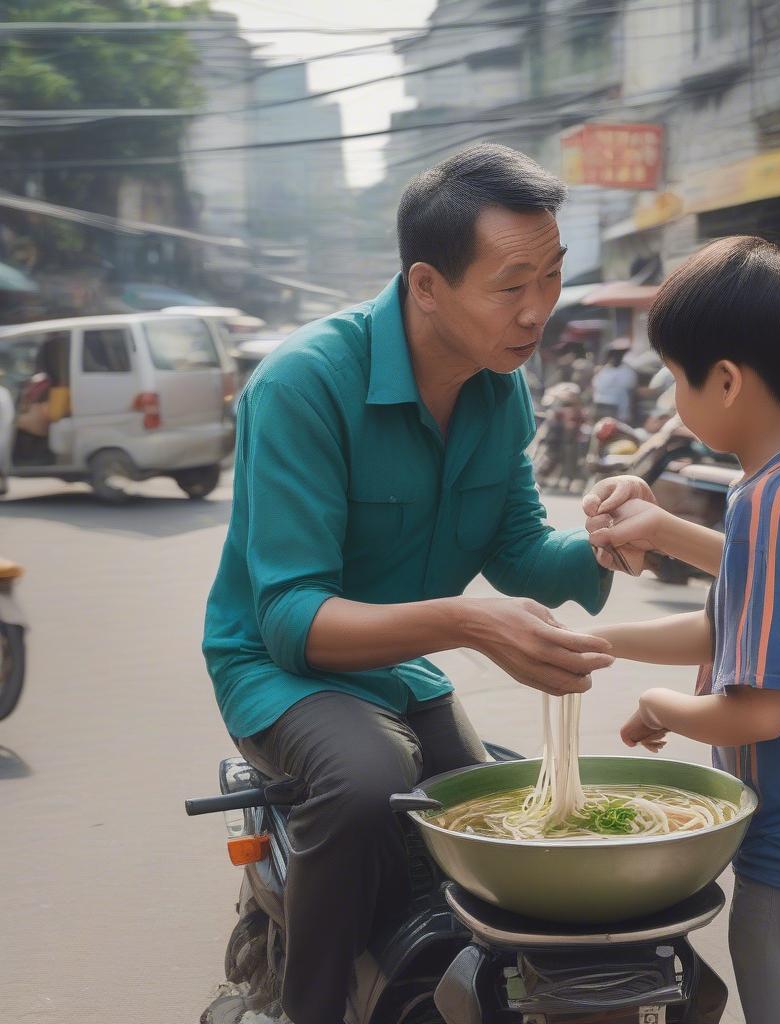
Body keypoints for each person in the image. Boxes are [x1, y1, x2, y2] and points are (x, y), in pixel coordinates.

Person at [203, 144, 616, 1024]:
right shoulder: (303, 384)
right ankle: (306, 1007)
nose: (538, 310)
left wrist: (612, 540)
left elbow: (519, 551)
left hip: (402, 670)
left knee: (487, 814)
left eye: (551, 277)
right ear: (427, 285)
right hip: (277, 669)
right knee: (365, 782)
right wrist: (468, 623)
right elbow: (289, 618)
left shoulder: (502, 390)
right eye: (512, 286)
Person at [581, 236, 780, 1024]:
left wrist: (656, 704)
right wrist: (608, 639)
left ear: (724, 381)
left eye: (677, 381)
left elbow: (759, 711)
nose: (671, 400)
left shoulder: (763, 504)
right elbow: (759, 599)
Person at [591, 337, 638, 421]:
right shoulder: (602, 371)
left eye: (619, 354)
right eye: (613, 354)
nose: (615, 357)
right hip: (600, 405)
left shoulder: (628, 371)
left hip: (618, 408)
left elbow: (630, 389)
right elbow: (596, 387)